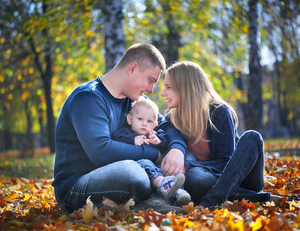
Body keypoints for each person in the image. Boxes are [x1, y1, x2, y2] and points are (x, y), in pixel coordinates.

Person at [52, 43, 187, 214]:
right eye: (150, 80)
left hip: (121, 175)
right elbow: (102, 152)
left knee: (176, 162)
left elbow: (165, 125)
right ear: (132, 68)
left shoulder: (135, 100)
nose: (152, 90)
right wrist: (155, 154)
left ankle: (149, 203)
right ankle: (152, 201)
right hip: (76, 188)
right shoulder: (88, 98)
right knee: (131, 173)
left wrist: (177, 149)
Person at [161, 60, 283, 208]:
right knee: (195, 178)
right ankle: (256, 199)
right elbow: (161, 127)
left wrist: (188, 165)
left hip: (241, 178)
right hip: (210, 180)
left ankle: (211, 201)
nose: (163, 93)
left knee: (253, 136)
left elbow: (227, 162)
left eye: (168, 87)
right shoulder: (172, 119)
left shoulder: (219, 112)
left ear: (185, 88)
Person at [112, 97, 191, 206]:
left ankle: (177, 193)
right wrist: (133, 140)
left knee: (169, 169)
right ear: (130, 119)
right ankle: (164, 188)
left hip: (157, 167)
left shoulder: (155, 134)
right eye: (140, 119)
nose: (144, 124)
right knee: (145, 162)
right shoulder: (126, 132)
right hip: (140, 168)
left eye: (149, 121)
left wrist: (157, 142)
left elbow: (165, 143)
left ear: (154, 125)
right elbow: (116, 138)